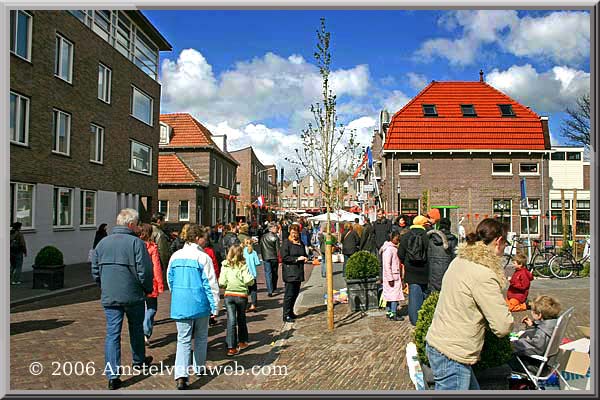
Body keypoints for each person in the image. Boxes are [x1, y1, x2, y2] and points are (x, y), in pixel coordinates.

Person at [425, 218, 514, 390]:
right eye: (505, 244)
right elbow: (502, 325)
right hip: (453, 353)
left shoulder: (460, 260)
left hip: (441, 343)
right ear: (499, 242)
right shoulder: (484, 274)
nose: (505, 250)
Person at [91, 208, 154, 390]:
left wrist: (104, 285)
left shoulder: (103, 243)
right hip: (132, 295)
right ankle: (138, 361)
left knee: (112, 334)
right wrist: (147, 289)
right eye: (137, 224)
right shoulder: (136, 244)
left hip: (110, 295)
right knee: (135, 329)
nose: (139, 228)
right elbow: (144, 271)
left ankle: (113, 375)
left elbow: (94, 269)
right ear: (131, 224)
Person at [168, 224, 220, 390]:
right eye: (204, 237)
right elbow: (211, 284)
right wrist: (215, 307)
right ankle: (199, 367)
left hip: (180, 303)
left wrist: (177, 294)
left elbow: (170, 280)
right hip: (199, 303)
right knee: (201, 337)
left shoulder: (175, 256)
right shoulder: (203, 257)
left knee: (183, 339)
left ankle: (181, 376)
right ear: (197, 238)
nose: (206, 240)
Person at [508, 295, 561, 374]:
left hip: (534, 366)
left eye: (532, 310)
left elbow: (532, 347)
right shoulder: (553, 325)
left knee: (504, 360)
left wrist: (512, 344)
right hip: (544, 363)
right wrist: (532, 325)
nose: (531, 312)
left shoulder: (543, 333)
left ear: (539, 315)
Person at [219, 244, 255, 356]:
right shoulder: (243, 265)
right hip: (241, 295)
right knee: (241, 318)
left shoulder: (225, 265)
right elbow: (249, 280)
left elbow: (221, 282)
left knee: (231, 320)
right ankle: (243, 341)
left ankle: (231, 347)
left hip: (229, 295)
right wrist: (250, 281)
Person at [398, 215, 431, 325]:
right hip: (425, 270)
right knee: (426, 295)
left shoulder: (405, 236)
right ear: (424, 224)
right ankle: (426, 318)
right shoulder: (428, 236)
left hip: (411, 270)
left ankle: (415, 320)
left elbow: (400, 254)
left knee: (414, 296)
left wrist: (406, 262)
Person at [138, 223, 165, 345]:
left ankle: (141, 332)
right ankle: (145, 330)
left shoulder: (134, 246)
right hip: (150, 281)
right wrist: (160, 284)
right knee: (152, 308)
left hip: (136, 282)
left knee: (140, 308)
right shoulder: (152, 248)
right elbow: (156, 267)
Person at [280, 226, 307, 323]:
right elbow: (284, 257)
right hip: (290, 272)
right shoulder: (286, 243)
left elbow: (304, 253)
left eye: (296, 233)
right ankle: (286, 314)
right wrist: (296, 259)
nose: (294, 235)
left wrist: (305, 257)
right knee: (289, 294)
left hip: (298, 271)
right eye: (292, 233)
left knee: (295, 293)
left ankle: (291, 311)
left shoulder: (300, 243)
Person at [427, 217, 459, 293]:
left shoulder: (431, 238)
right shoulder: (453, 239)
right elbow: (455, 257)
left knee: (433, 295)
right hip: (447, 269)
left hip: (432, 270)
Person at [380, 231, 405, 321]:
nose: (398, 239)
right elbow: (387, 264)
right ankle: (393, 313)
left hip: (393, 275)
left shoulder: (392, 248)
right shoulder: (389, 249)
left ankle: (389, 311)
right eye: (397, 237)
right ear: (392, 238)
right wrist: (390, 278)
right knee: (394, 296)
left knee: (390, 295)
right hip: (392, 276)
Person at [259, 222, 281, 297]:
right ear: (271, 228)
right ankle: (273, 287)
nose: (277, 229)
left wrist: (263, 256)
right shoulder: (275, 237)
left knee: (268, 273)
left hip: (266, 257)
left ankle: (270, 290)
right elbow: (278, 249)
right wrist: (279, 258)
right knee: (274, 273)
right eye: (276, 228)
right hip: (274, 257)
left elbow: (261, 247)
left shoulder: (263, 237)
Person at [151, 212, 171, 281]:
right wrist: (165, 269)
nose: (164, 222)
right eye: (163, 220)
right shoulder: (160, 233)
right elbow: (163, 253)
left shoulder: (148, 230)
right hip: (158, 266)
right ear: (159, 221)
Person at [243, 239, 260, 312]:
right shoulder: (254, 252)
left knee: (245, 290)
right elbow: (257, 262)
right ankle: (253, 304)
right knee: (253, 290)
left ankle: (245, 306)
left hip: (245, 273)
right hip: (252, 274)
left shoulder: (242, 252)